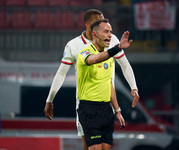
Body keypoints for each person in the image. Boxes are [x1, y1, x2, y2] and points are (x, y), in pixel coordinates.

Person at [44, 9, 139, 150]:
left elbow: (124, 64)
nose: (102, 24)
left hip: (107, 101)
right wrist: (50, 99)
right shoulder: (75, 46)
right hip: (86, 103)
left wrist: (133, 87)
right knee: (89, 146)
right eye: (97, 21)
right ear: (88, 25)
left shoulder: (111, 39)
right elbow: (61, 73)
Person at [76, 19, 133, 150]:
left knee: (105, 149)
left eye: (111, 32)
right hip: (89, 108)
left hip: (106, 109)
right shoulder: (84, 53)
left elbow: (109, 84)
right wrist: (117, 48)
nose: (110, 35)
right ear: (95, 35)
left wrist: (117, 111)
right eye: (106, 31)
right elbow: (95, 59)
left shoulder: (109, 59)